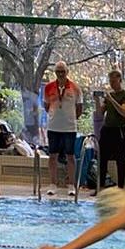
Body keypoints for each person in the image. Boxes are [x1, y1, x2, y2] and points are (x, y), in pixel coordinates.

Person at [43, 60, 83, 196]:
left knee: (70, 156)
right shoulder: (48, 87)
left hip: (69, 128)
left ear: (67, 72)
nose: (60, 74)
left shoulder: (75, 87)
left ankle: (71, 185)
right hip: (53, 127)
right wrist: (55, 116)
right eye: (58, 71)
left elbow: (79, 108)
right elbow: (46, 106)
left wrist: (70, 119)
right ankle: (53, 184)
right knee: (52, 156)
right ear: (55, 72)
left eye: (63, 71)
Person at [95, 69, 125, 192]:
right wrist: (97, 101)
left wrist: (112, 100)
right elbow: (100, 113)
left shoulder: (124, 95)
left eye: (114, 81)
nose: (112, 84)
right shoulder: (109, 96)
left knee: (120, 159)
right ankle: (101, 186)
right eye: (110, 82)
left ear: (119, 80)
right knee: (102, 158)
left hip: (118, 130)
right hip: (107, 129)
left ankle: (120, 187)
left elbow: (123, 112)